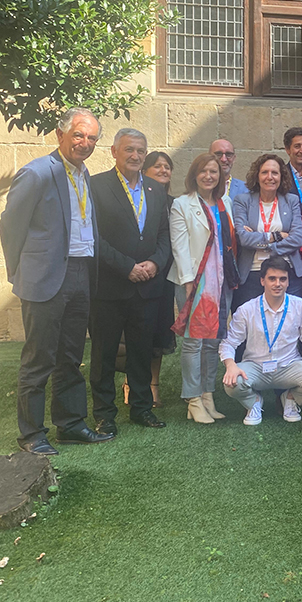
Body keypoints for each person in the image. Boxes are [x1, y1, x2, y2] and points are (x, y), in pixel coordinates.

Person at [0, 107, 114, 454]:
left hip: (80, 274)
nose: (85, 143)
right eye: (78, 135)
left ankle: (71, 424)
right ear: (60, 134)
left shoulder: (84, 174)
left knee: (71, 356)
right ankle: (32, 435)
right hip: (45, 280)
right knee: (39, 360)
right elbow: (10, 226)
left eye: (92, 137)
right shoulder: (37, 173)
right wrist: (20, 271)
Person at [88, 128, 170, 435]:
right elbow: (92, 237)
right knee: (104, 354)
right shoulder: (95, 186)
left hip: (147, 286)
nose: (135, 156)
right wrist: (127, 267)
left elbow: (163, 234)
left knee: (141, 351)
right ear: (113, 152)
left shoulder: (155, 189)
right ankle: (104, 413)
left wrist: (155, 262)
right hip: (110, 286)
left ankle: (141, 408)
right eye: (129, 150)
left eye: (140, 151)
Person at [168, 153, 240, 423]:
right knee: (193, 342)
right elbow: (180, 246)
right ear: (194, 175)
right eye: (204, 171)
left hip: (221, 282)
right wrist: (189, 282)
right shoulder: (182, 204)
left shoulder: (225, 203)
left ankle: (207, 394)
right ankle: (192, 398)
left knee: (213, 342)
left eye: (214, 172)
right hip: (196, 282)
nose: (209, 176)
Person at [220, 257, 302, 425]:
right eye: (272, 278)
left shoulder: (301, 306)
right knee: (233, 383)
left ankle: (290, 399)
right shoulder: (247, 309)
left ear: (288, 282)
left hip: (288, 365)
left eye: (282, 279)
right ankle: (253, 402)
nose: (278, 284)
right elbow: (229, 342)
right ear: (262, 281)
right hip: (255, 367)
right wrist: (230, 365)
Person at [232, 153, 302, 310]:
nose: (269, 177)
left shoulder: (291, 200)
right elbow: (243, 238)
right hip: (253, 273)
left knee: (288, 326)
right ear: (257, 176)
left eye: (275, 173)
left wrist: (263, 243)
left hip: (287, 272)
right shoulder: (242, 201)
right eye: (264, 172)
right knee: (251, 326)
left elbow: (297, 238)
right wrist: (277, 236)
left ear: (281, 176)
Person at [139, 151, 177, 408]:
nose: (163, 170)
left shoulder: (176, 203)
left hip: (165, 277)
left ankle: (153, 385)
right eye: (157, 166)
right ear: (144, 170)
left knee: (159, 332)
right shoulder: (137, 199)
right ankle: (132, 383)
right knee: (136, 333)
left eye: (167, 166)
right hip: (139, 273)